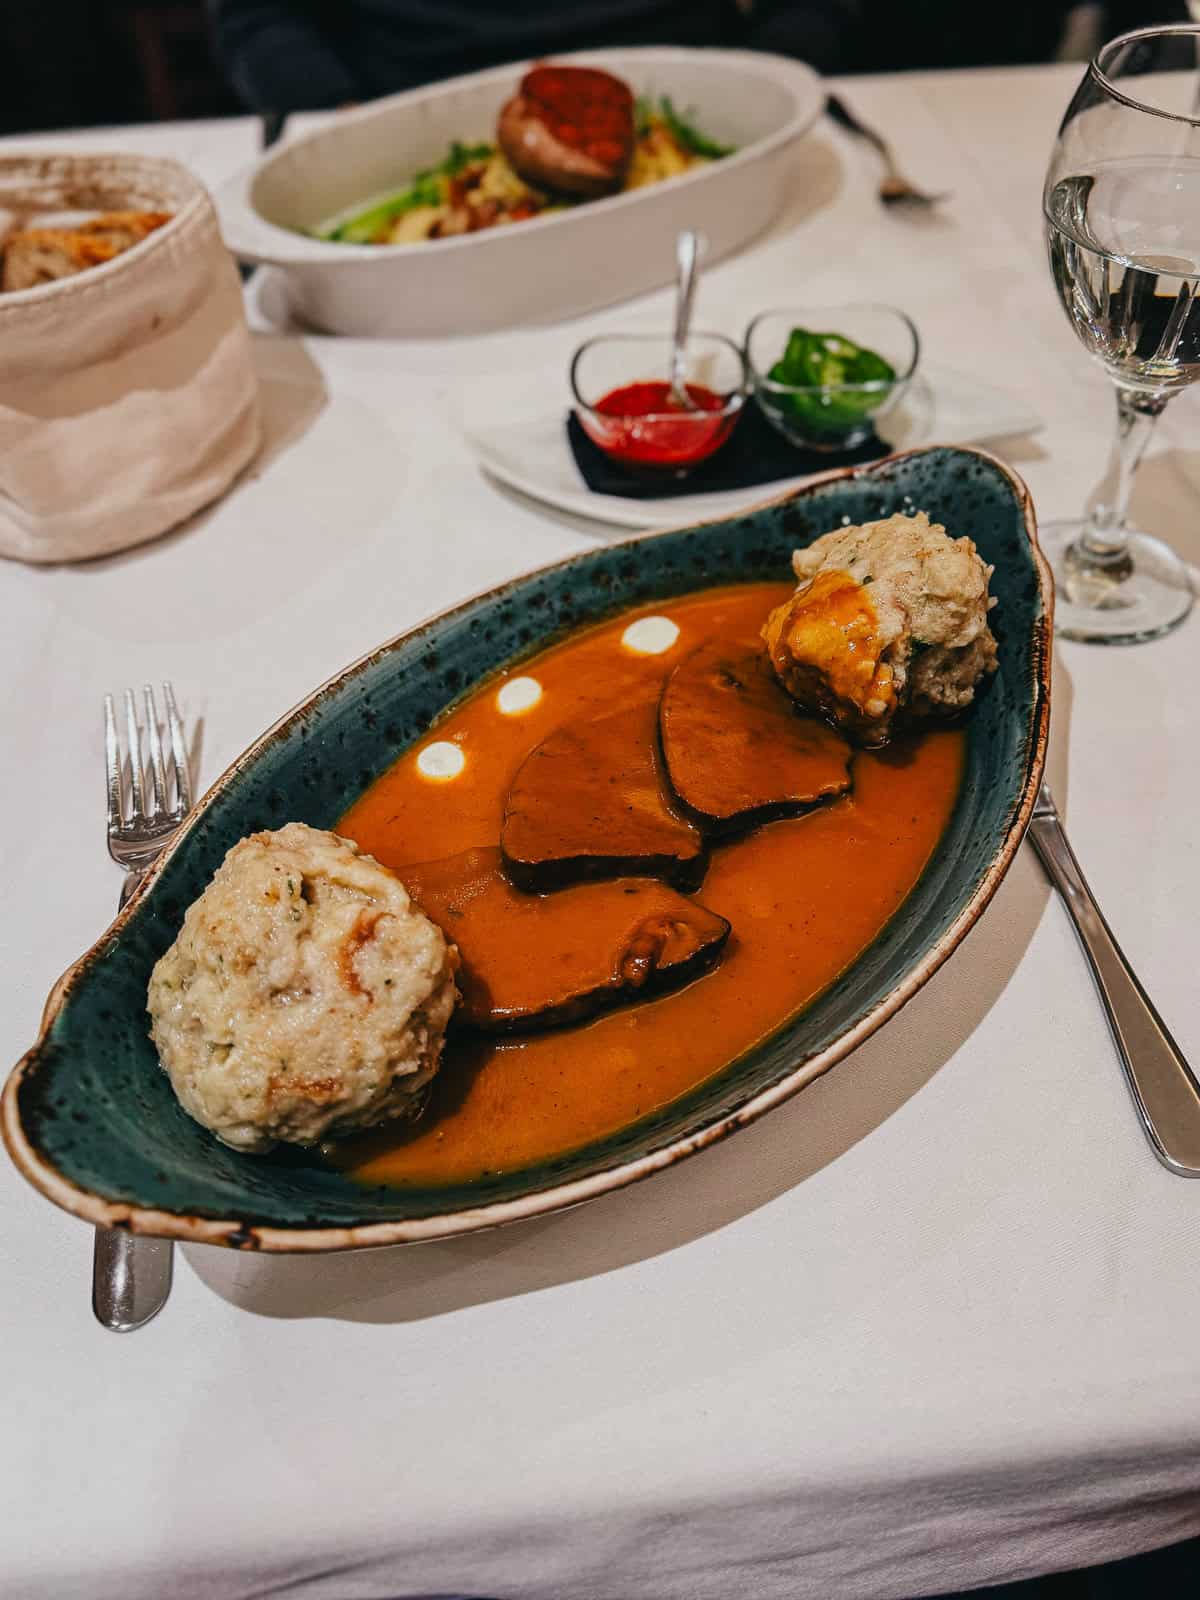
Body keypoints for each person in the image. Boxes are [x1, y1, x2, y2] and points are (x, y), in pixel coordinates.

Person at [207, 0, 864, 113]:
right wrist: (340, 119)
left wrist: (758, 91)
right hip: (410, 115)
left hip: (694, 114)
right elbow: (256, 18)